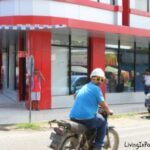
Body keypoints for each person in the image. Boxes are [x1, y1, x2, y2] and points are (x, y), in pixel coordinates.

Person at [69, 68, 113, 150]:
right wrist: (108, 111)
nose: (99, 81)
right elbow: (103, 104)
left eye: (101, 79)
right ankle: (98, 146)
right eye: (97, 79)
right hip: (86, 118)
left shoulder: (84, 86)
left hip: (73, 116)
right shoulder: (96, 89)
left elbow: (75, 96)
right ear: (92, 78)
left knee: (95, 120)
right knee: (103, 123)